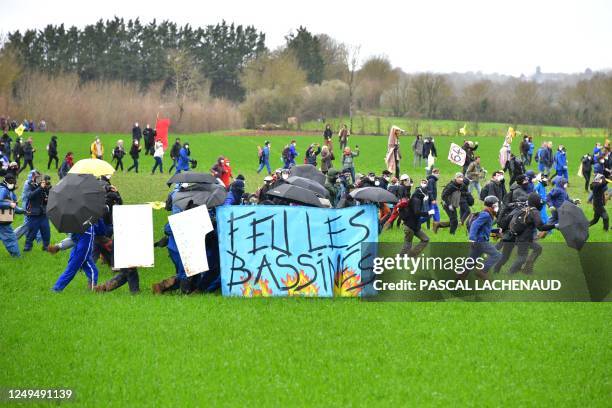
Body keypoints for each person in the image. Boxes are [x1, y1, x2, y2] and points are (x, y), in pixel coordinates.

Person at [505, 192, 557, 274]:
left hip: (521, 237)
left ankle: (527, 269)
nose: (540, 202)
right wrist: (555, 225)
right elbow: (541, 227)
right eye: (539, 200)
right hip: (524, 239)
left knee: (538, 248)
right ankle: (510, 273)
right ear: (535, 201)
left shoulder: (526, 208)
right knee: (522, 258)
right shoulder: (534, 212)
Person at [52, 220, 105, 291]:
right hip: (83, 253)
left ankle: (92, 290)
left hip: (78, 252)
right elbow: (102, 232)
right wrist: (100, 219)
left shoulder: (77, 223)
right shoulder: (89, 227)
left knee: (93, 271)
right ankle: (56, 289)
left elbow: (100, 231)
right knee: (71, 271)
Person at [466, 195, 502, 279]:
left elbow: (485, 229)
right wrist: (471, 238)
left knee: (471, 262)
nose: (498, 206)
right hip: (481, 241)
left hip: (478, 241)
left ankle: (459, 278)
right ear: (492, 205)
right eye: (497, 204)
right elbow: (475, 225)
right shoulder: (486, 215)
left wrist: (496, 230)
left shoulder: (488, 213)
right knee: (497, 255)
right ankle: (482, 271)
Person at [398, 180, 434, 256]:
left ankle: (412, 255)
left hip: (415, 226)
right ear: (423, 194)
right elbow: (417, 213)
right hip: (410, 226)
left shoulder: (417, 199)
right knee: (408, 244)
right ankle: (400, 258)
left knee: (425, 239)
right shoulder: (416, 200)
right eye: (427, 194)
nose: (427, 196)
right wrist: (428, 213)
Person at [23, 174, 51, 252]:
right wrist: (40, 188)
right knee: (32, 232)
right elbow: (30, 196)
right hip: (33, 214)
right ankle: (27, 247)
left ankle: (46, 247)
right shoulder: (30, 186)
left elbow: (46, 198)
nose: (43, 182)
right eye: (40, 180)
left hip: (43, 214)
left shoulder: (45, 187)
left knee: (46, 232)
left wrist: (47, 192)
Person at [0, 174, 25, 257]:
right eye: (12, 182)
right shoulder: (3, 190)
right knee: (11, 238)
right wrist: (9, 204)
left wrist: (23, 211)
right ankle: (17, 257)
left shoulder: (9, 191)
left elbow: (14, 206)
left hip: (4, 220)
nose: (14, 184)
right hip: (3, 220)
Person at [427, 168, 449, 233]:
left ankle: (437, 225)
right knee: (430, 214)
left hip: (433, 200)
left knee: (436, 212)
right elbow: (430, 191)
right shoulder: (431, 180)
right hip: (431, 201)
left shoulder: (433, 180)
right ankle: (417, 223)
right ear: (435, 173)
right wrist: (432, 199)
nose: (439, 174)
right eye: (438, 173)